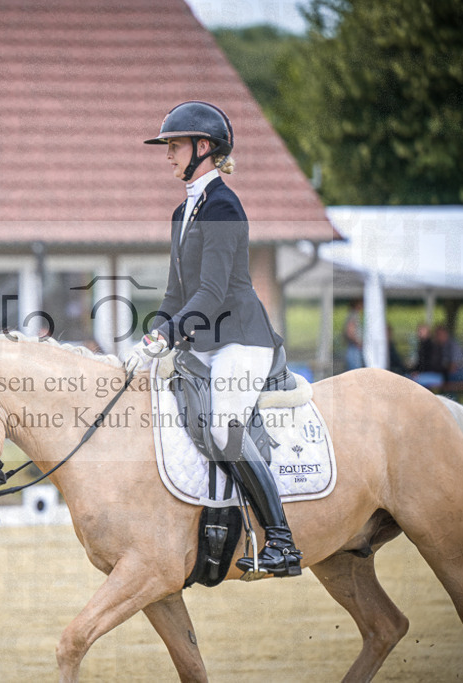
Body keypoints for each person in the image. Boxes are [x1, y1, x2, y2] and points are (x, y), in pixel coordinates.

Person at [134, 100, 302, 577]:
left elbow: (210, 293)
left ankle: (283, 543)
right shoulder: (180, 212)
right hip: (204, 341)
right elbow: (175, 294)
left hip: (242, 340)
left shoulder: (224, 206)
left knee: (224, 425)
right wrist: (151, 334)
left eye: (175, 145)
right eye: (167, 146)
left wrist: (170, 333)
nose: (168, 155)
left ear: (203, 148)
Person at [343, 299, 364, 371]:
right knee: (355, 370)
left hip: (354, 347)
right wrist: (358, 342)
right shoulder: (353, 315)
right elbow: (350, 332)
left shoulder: (354, 314)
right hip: (354, 347)